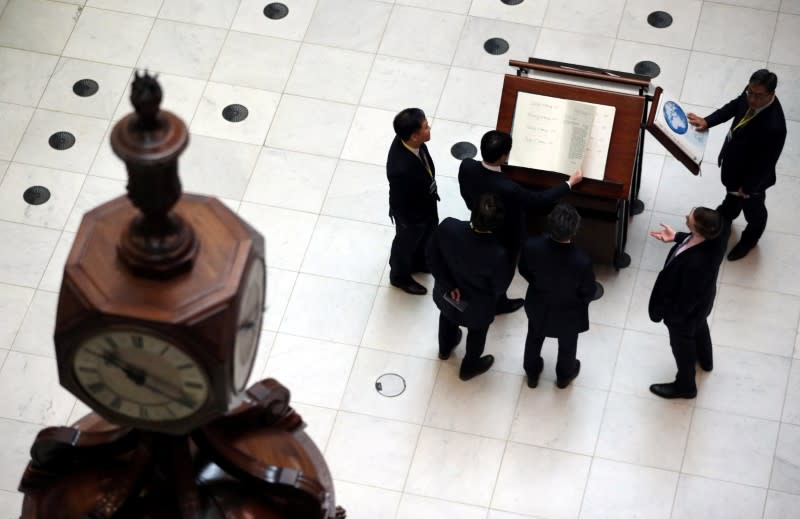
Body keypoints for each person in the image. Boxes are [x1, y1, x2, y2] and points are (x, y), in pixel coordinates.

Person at [458, 130, 583, 314]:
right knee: (505, 269)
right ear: (503, 157)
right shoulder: (508, 188)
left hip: (479, 222)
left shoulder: (466, 166)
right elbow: (538, 200)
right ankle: (499, 302)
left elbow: (466, 194)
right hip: (506, 235)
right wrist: (569, 183)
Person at [687, 69, 786, 261]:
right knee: (730, 198)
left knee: (754, 212)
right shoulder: (751, 92)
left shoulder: (775, 127)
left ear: (771, 94)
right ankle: (727, 213)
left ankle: (749, 240)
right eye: (750, 92)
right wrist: (708, 121)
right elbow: (734, 106)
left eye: (758, 96)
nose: (751, 99)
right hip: (734, 167)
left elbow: (766, 164)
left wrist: (748, 188)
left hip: (751, 183)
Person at [648, 206, 731, 399]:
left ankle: (685, 386)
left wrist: (672, 318)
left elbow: (686, 301)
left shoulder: (696, 265)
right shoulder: (717, 237)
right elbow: (694, 240)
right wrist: (677, 237)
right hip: (702, 305)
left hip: (683, 315)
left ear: (699, 230)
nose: (686, 215)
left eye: (690, 218)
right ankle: (705, 360)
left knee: (682, 348)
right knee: (700, 326)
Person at [426, 193, 508, 381]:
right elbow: (499, 286)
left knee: (446, 318)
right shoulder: (497, 254)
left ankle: (445, 350)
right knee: (477, 334)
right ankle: (469, 367)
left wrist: (449, 285)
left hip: (447, 294)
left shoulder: (448, 227)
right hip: (477, 307)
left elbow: (431, 256)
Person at [519, 204, 596, 389]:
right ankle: (564, 376)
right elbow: (588, 291)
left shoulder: (531, 246)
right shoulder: (582, 261)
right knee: (568, 345)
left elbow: (523, 270)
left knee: (534, 337)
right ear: (575, 230)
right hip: (568, 313)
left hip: (538, 305)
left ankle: (532, 372)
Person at [387, 107, 439, 295]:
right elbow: (402, 202)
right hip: (411, 216)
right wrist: (414, 223)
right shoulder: (400, 170)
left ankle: (419, 262)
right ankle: (399, 276)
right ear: (414, 136)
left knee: (425, 237)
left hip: (425, 204)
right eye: (426, 127)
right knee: (405, 244)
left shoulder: (410, 140)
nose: (429, 128)